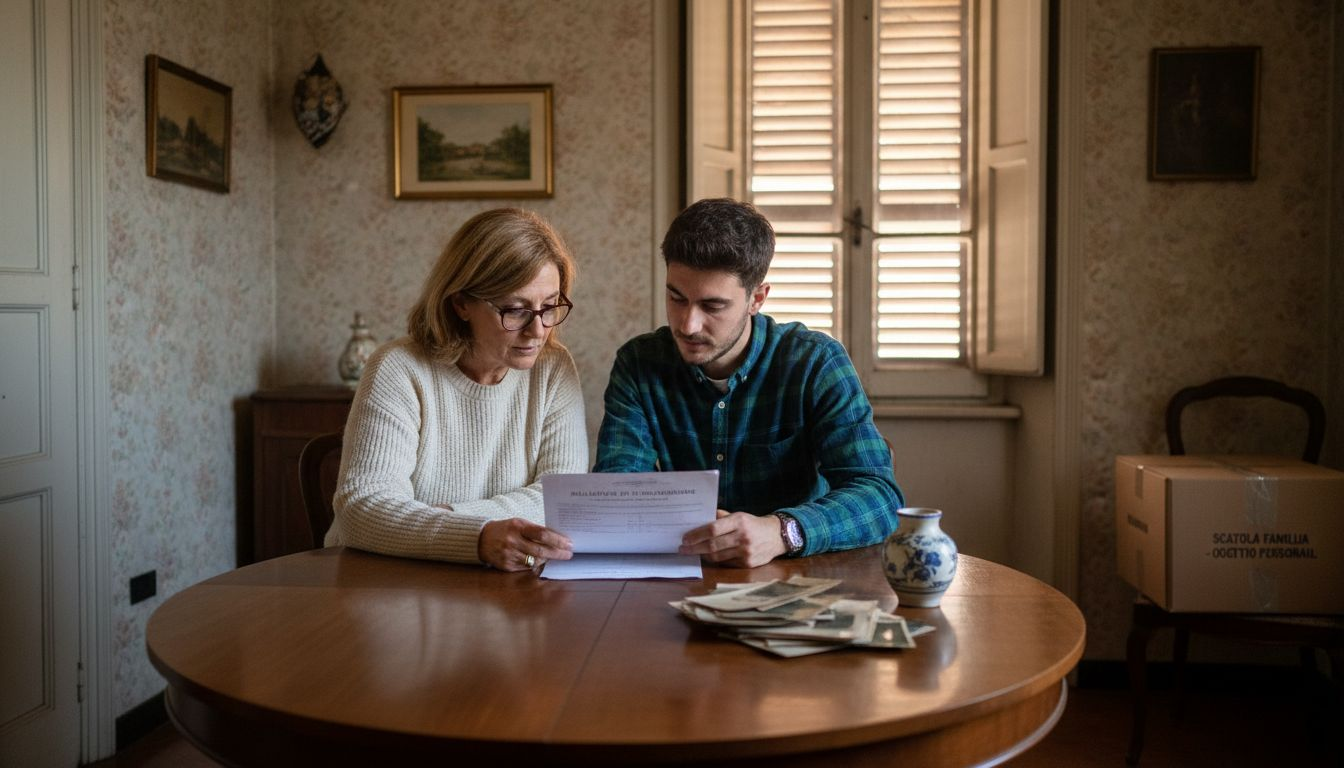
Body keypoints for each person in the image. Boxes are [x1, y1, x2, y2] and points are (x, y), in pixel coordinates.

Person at [594, 198, 903, 567]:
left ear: (756, 298)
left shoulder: (815, 362)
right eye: (676, 298)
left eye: (712, 306)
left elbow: (880, 496)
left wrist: (781, 531)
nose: (688, 324)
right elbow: (618, 492)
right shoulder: (639, 363)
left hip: (797, 573)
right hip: (682, 575)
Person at [326, 208, 587, 571]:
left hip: (501, 587)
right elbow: (362, 508)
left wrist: (451, 517)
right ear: (461, 303)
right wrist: (478, 537)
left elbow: (562, 498)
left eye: (549, 306)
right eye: (515, 310)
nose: (538, 331)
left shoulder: (553, 369)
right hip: (382, 581)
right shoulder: (398, 368)